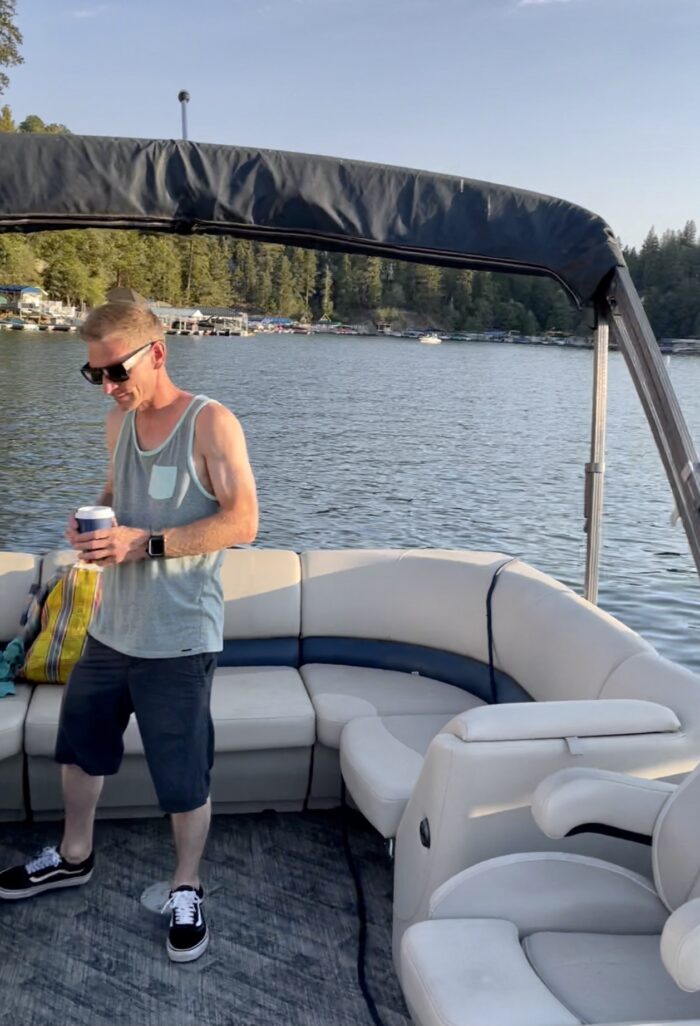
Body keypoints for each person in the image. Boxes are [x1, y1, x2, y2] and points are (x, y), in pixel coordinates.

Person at [0, 302, 258, 963]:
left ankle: (186, 886)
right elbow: (116, 490)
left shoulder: (211, 422)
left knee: (182, 775)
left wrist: (143, 545)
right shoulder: (118, 420)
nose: (110, 386)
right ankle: (74, 855)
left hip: (179, 638)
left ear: (158, 353)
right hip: (110, 628)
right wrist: (92, 518)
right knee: (80, 748)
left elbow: (242, 523)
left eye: (117, 370)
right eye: (95, 376)